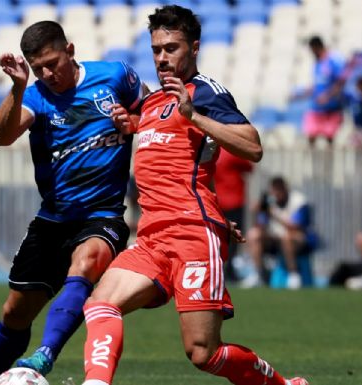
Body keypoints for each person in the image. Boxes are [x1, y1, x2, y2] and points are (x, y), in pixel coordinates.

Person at [80, 6, 308, 385]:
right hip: (152, 238)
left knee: (203, 352)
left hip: (192, 238)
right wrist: (131, 123)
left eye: (171, 48)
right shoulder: (152, 103)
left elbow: (252, 146)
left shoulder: (205, 93)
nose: (162, 58)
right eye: (156, 49)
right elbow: (174, 160)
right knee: (101, 304)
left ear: (194, 47)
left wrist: (194, 116)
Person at [0, 21, 146, 385]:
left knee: (87, 263)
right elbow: (2, 136)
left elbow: (154, 116)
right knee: (14, 314)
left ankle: (44, 355)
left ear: (70, 50)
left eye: (53, 63)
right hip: (53, 219)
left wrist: (133, 120)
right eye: (39, 68)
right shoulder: (35, 94)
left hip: (103, 214)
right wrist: (19, 87)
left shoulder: (116, 77)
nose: (48, 74)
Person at [242, 176, 316, 289]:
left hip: (298, 240)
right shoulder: (269, 202)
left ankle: (294, 275)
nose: (276, 194)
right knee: (253, 235)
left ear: (285, 189)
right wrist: (257, 212)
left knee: (287, 237)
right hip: (275, 239)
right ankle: (259, 274)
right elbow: (260, 227)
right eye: (274, 191)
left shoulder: (299, 201)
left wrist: (273, 214)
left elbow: (294, 227)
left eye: (279, 190)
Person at [297, 36, 345, 146]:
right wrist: (306, 92)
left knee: (330, 139)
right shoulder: (317, 64)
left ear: (316, 47)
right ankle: (312, 163)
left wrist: (327, 96)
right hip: (317, 108)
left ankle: (330, 163)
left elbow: (341, 82)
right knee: (310, 136)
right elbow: (318, 84)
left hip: (332, 109)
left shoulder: (334, 60)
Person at [213, 147, 253, 282]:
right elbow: (249, 167)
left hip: (218, 201)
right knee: (234, 238)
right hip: (234, 200)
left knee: (220, 238)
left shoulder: (213, 152)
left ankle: (220, 269)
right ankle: (229, 270)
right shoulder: (231, 152)